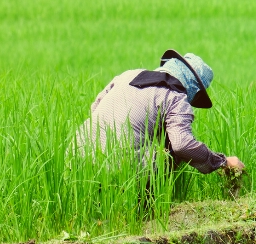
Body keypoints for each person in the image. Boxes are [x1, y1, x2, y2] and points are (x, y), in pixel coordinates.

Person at [75, 49, 244, 183]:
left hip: (77, 155)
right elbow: (182, 144)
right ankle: (146, 209)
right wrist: (221, 161)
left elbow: (95, 107)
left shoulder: (127, 75)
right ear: (195, 88)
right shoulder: (175, 97)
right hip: (118, 169)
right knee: (171, 152)